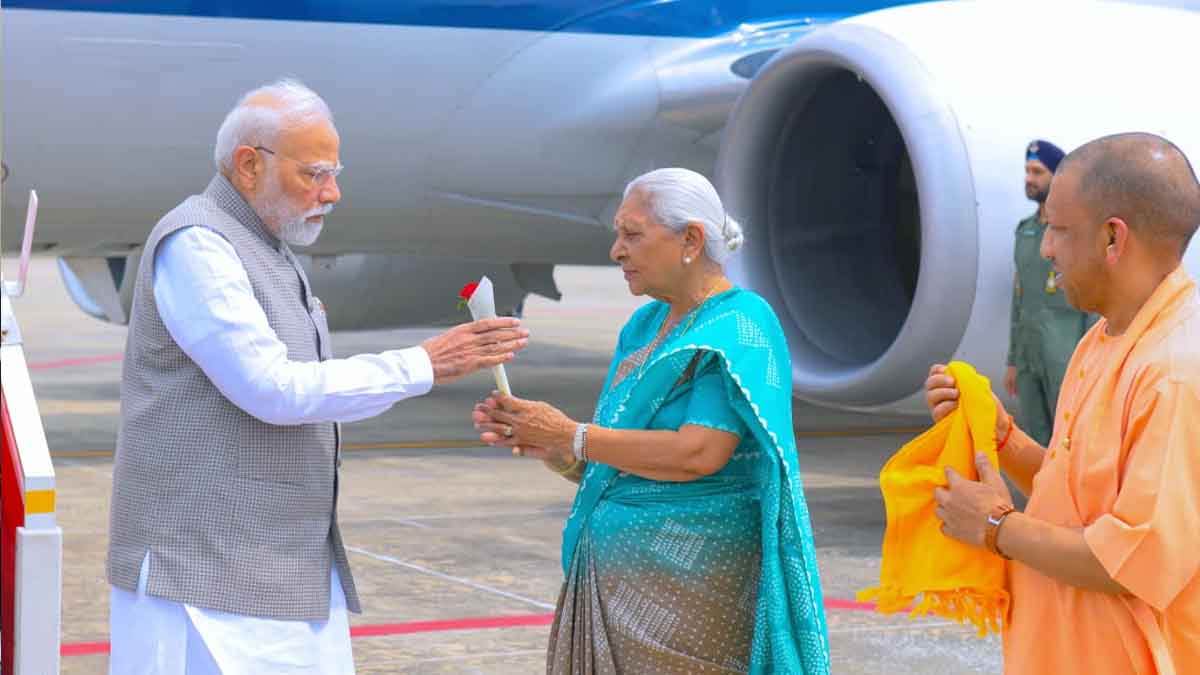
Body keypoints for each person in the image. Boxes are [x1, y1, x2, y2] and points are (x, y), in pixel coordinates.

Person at [106, 79, 529, 674]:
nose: (332, 193)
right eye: (315, 174)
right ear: (249, 165)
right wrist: (422, 364)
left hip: (272, 563)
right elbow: (273, 388)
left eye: (334, 173)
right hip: (201, 574)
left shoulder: (266, 245)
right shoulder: (199, 244)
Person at [472, 168, 831, 674]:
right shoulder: (643, 325)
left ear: (690, 239)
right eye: (618, 234)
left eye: (633, 234)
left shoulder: (739, 326)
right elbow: (620, 457)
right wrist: (558, 453)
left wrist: (570, 434)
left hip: (692, 592)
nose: (617, 251)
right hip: (614, 584)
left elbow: (698, 453)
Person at [926, 132, 1200, 673]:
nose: (1046, 247)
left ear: (1112, 239)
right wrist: (1001, 436)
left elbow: (1129, 560)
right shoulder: (1103, 339)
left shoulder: (1173, 372)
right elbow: (1076, 494)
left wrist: (996, 526)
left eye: (1059, 229)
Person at [1005, 139, 1094, 445]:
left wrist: (1093, 362)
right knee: (1034, 435)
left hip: (1066, 356)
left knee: (1070, 439)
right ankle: (1040, 494)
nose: (1029, 178)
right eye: (1027, 171)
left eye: (1037, 172)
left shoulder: (1077, 232)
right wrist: (1013, 360)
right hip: (1030, 356)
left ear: (1058, 177)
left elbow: (1095, 301)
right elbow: (1020, 297)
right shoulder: (1025, 230)